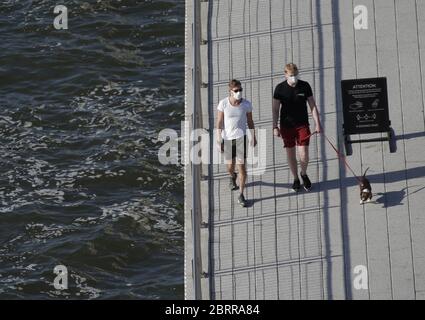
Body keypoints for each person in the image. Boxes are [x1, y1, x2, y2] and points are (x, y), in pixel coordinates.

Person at [272, 63, 322, 192]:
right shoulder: (279, 89)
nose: (294, 78)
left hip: (302, 125)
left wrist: (317, 123)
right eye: (291, 76)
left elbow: (312, 105)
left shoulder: (305, 86)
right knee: (291, 154)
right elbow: (275, 109)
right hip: (286, 126)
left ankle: (303, 173)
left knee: (304, 154)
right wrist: (275, 126)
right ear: (285, 75)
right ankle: (295, 178)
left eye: (295, 75)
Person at [216, 79, 257, 207]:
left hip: (241, 138)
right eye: (236, 90)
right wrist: (219, 138)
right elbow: (219, 122)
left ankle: (241, 194)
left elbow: (250, 121)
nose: (239, 92)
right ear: (230, 91)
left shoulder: (246, 104)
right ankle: (232, 176)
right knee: (229, 166)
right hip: (228, 139)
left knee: (242, 169)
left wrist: (253, 136)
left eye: (240, 90)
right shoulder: (223, 104)